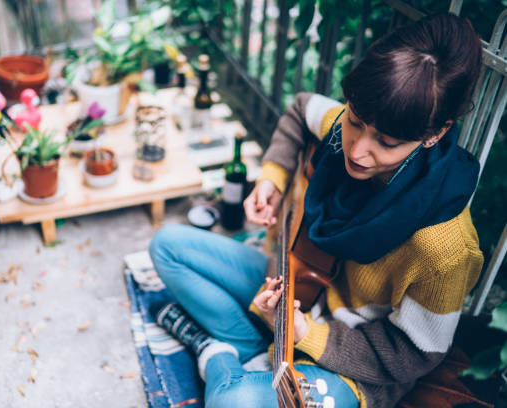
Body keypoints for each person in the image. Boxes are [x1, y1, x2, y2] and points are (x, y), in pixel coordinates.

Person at [149, 12, 484, 408]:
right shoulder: (349, 124)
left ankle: (216, 352)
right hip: (298, 284)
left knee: (233, 402)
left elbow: (415, 354)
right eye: (355, 123)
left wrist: (305, 332)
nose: (357, 151)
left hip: (351, 368)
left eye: (386, 141)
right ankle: (250, 343)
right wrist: (270, 178)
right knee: (167, 245)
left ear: (435, 132)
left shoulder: (445, 250)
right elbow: (300, 108)